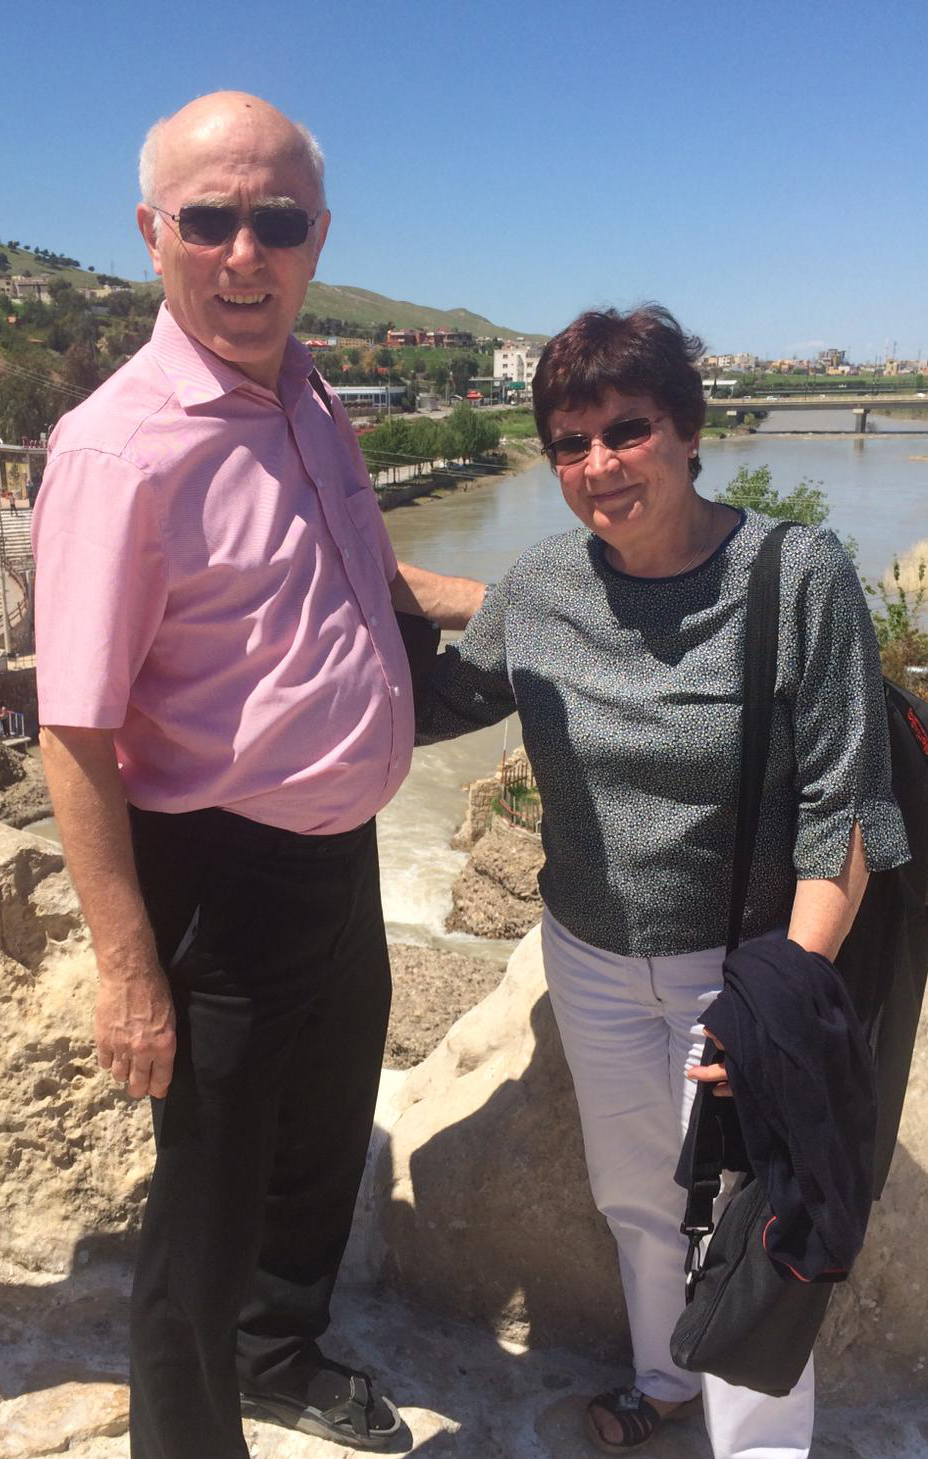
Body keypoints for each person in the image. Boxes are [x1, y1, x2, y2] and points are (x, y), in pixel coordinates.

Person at [32, 91, 483, 1459]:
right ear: (150, 233)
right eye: (210, 219)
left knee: (322, 1141)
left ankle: (280, 1355)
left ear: (316, 237)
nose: (244, 253)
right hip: (220, 883)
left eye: (275, 221)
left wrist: (547, 604)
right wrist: (128, 967)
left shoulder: (310, 392)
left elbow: (367, 578)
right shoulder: (118, 450)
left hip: (340, 860)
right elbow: (74, 729)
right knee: (205, 1220)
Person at [415, 305, 910, 1459]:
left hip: (739, 969)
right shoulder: (543, 583)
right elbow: (441, 701)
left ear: (688, 430)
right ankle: (665, 1379)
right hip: (587, 957)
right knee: (636, 1196)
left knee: (748, 1220)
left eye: (626, 430)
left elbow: (844, 806)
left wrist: (780, 996)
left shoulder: (795, 574)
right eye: (569, 443)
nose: (599, 464)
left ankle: (762, 1449)